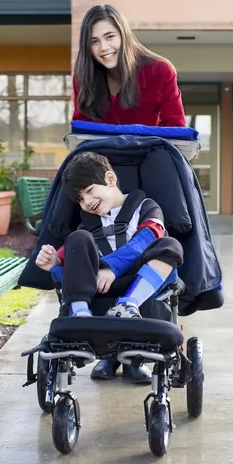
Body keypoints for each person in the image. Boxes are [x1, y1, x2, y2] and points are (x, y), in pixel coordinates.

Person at [35, 151, 183, 384]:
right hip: (99, 288)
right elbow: (74, 255)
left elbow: (148, 236)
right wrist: (55, 261)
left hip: (139, 286)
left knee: (169, 244)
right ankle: (80, 314)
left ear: (110, 180)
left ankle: (128, 307)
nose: (86, 201)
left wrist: (111, 267)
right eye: (80, 199)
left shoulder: (145, 207)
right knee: (77, 239)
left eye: (89, 190)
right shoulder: (88, 224)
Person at [72, 4, 186, 127]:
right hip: (100, 147)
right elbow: (82, 131)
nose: (103, 47)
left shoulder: (160, 72)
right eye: (94, 41)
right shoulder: (83, 78)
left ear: (123, 36)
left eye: (110, 37)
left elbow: (176, 131)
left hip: (151, 146)